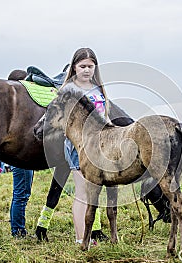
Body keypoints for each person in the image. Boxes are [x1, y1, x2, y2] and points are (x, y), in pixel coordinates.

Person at [61, 48, 108, 244]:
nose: (87, 70)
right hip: (77, 148)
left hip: (99, 147)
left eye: (90, 66)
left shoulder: (99, 89)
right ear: (74, 67)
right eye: (82, 66)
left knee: (92, 193)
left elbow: (105, 116)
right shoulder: (68, 91)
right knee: (82, 193)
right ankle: (81, 238)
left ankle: (87, 236)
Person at [10, 167, 34, 238]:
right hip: (23, 163)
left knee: (19, 196)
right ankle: (18, 231)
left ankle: (16, 229)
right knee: (21, 196)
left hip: (21, 164)